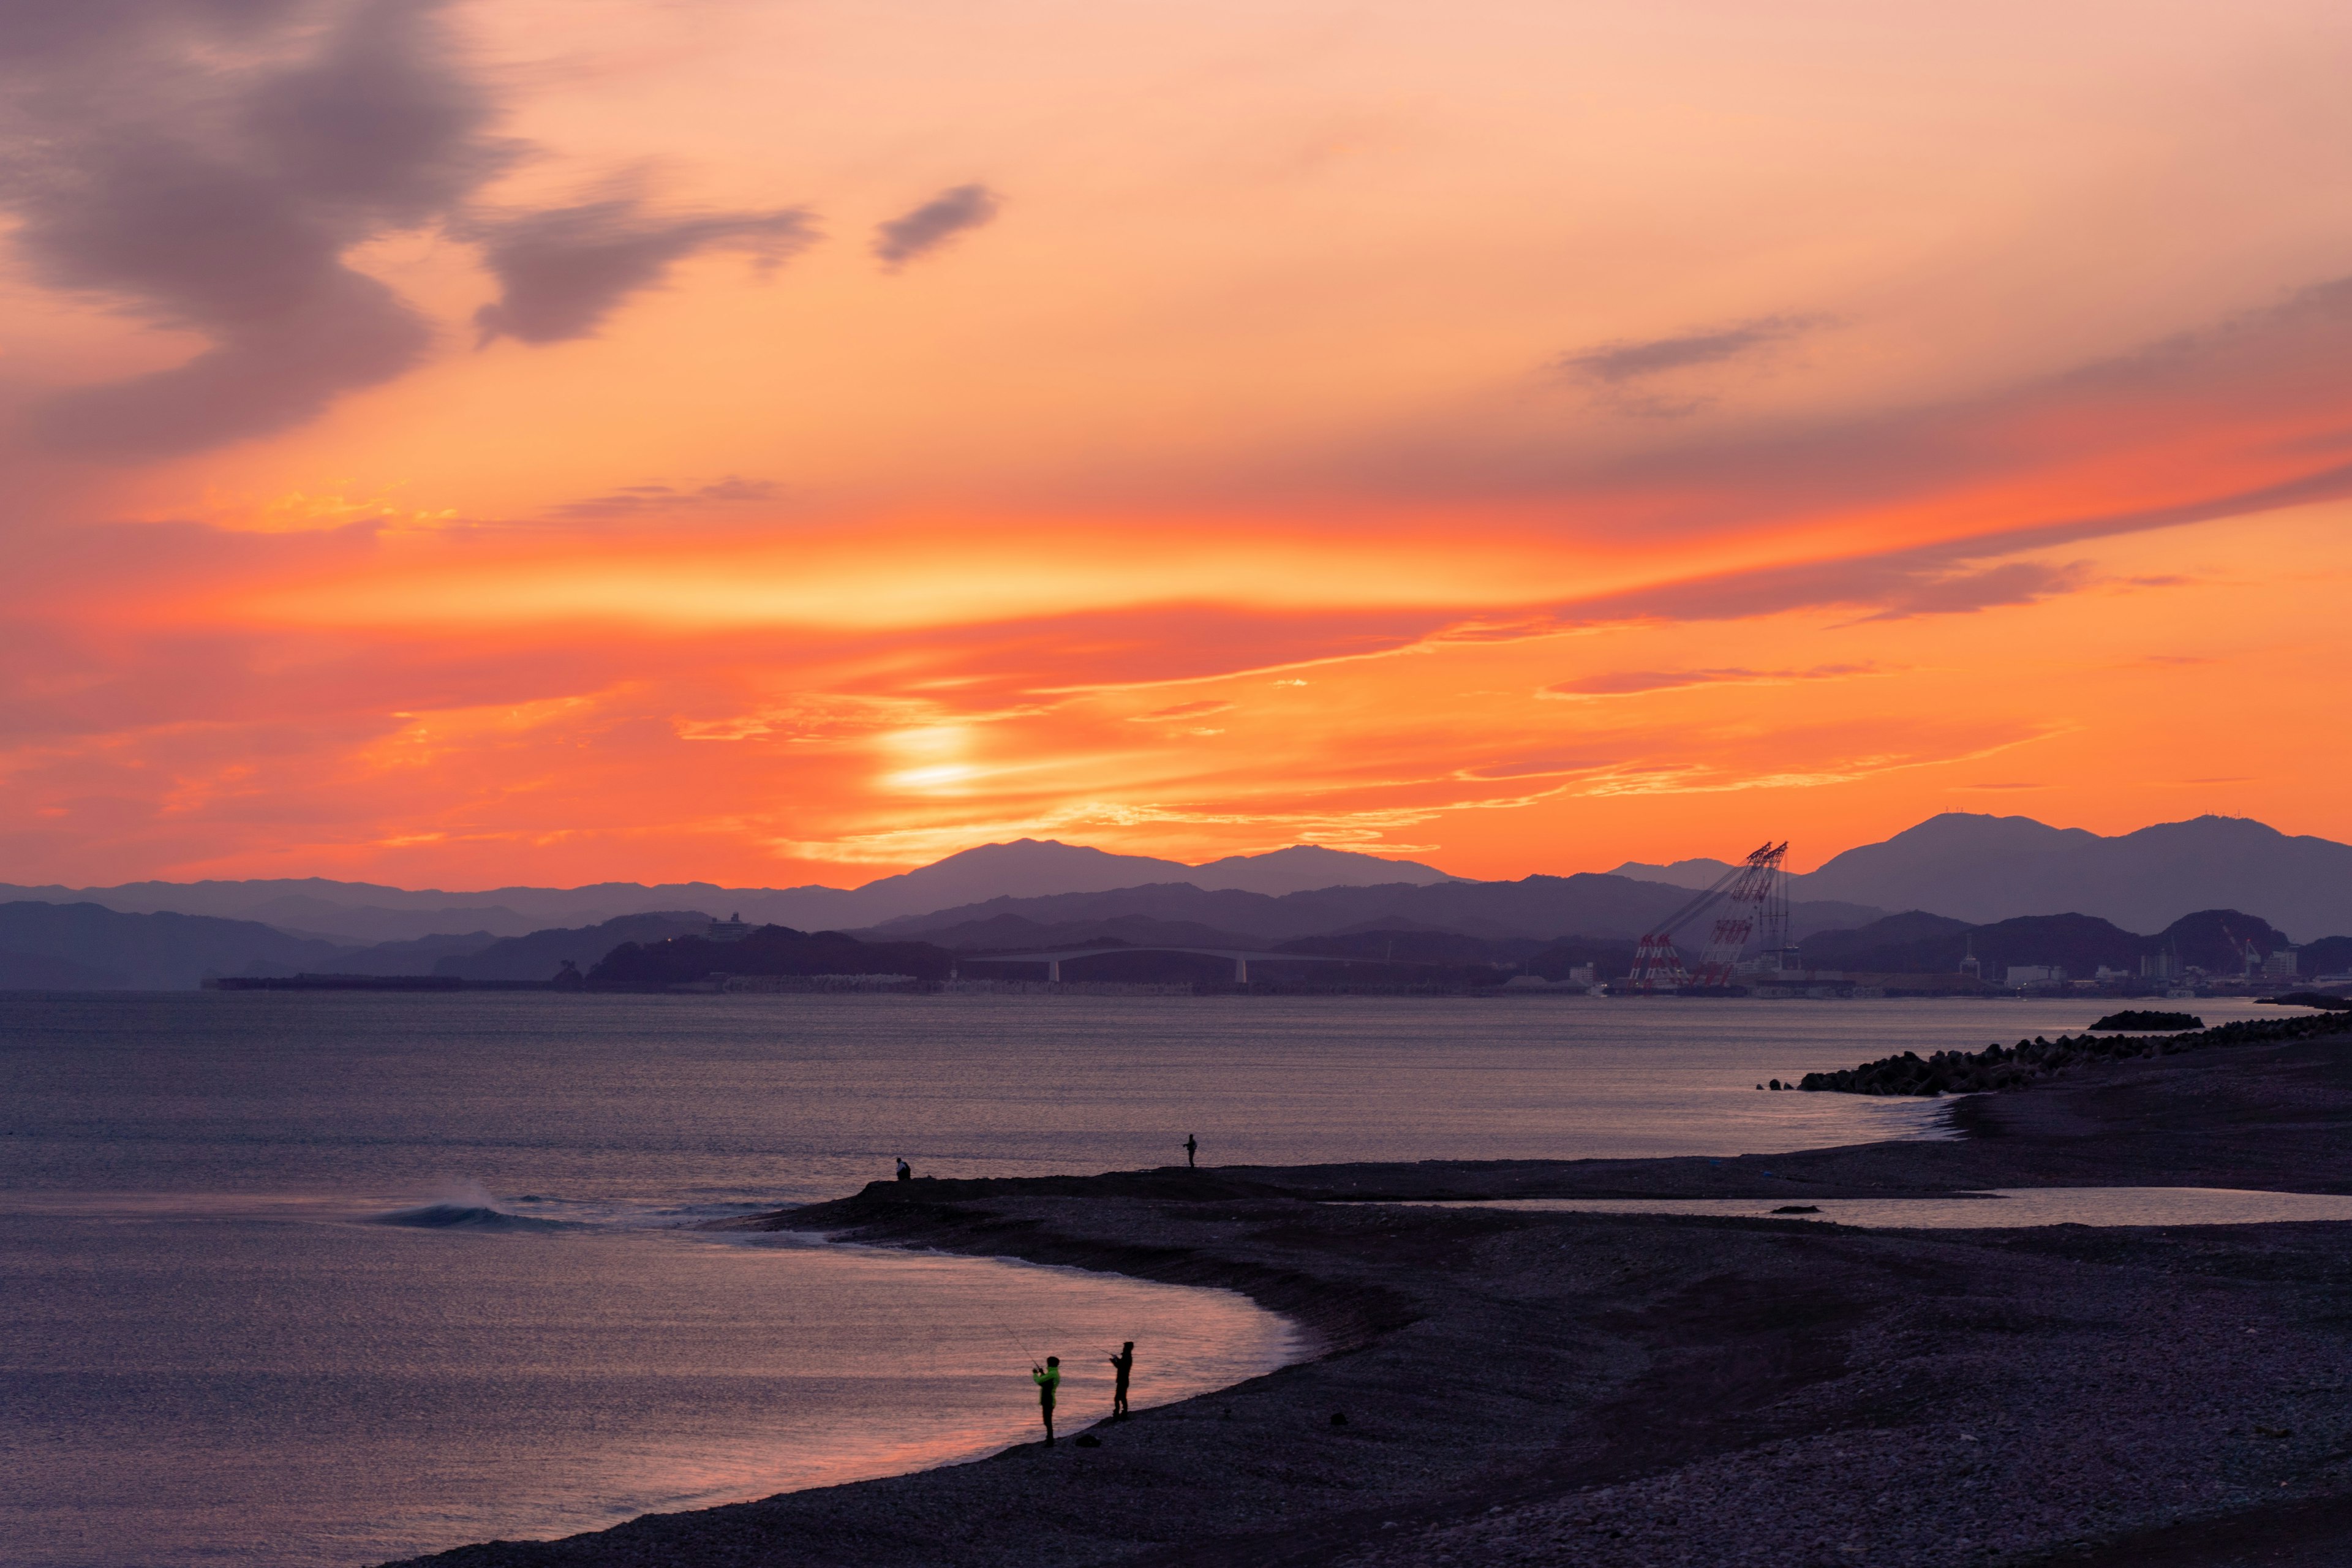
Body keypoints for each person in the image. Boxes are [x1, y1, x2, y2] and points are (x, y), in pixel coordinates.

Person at [1031, 1356, 1061, 1444]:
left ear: (1050, 1364)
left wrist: (1035, 1374)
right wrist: (1043, 1373)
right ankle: (1049, 1438)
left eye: (1048, 1362)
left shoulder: (1052, 1374)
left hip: (1048, 1399)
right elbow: (1046, 1383)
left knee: (1047, 1421)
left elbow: (1040, 1382)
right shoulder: (1053, 1373)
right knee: (1047, 1420)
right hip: (1048, 1399)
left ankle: (1050, 1440)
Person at [1107, 1341, 1134, 1419]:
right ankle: (1121, 1413)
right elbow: (1121, 1364)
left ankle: (1120, 1414)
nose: (1123, 1348)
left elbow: (1120, 1367)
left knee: (1119, 1398)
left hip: (1123, 1380)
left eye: (1125, 1347)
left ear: (1128, 1348)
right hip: (1123, 1380)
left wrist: (1114, 1362)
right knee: (1121, 1397)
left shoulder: (1127, 1357)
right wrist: (1116, 1359)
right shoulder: (1127, 1357)